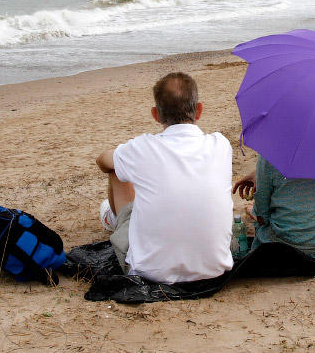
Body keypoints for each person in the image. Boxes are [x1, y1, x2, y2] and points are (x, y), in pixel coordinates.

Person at [96, 72, 233, 284]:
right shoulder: (221, 144)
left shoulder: (143, 148)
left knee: (117, 170)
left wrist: (117, 157)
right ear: (199, 110)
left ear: (156, 115)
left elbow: (102, 160)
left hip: (151, 272)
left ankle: (116, 220)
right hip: (214, 267)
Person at [232, 156, 315, 264]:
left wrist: (262, 173)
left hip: (284, 251)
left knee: (260, 222)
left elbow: (262, 217)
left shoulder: (272, 153)